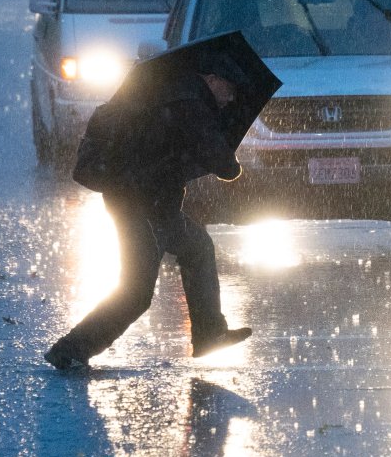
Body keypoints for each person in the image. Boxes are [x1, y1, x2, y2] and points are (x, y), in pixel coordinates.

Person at [44, 54, 253, 369]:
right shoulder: (190, 104)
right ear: (211, 80)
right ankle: (70, 349)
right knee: (136, 291)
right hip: (136, 202)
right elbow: (225, 166)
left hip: (153, 200)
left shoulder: (175, 93)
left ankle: (210, 333)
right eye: (229, 90)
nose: (230, 98)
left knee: (197, 247)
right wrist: (231, 161)